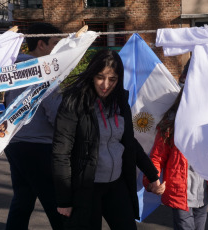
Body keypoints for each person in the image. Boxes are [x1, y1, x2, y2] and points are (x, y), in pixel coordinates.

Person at [52, 49, 160, 230]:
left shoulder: (120, 102)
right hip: (86, 186)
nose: (105, 85)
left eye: (112, 79)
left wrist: (152, 174)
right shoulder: (74, 102)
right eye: (100, 77)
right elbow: (61, 153)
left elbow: (129, 142)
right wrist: (64, 199)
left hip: (116, 184)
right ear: (92, 75)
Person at [3, 22, 63, 230]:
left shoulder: (14, 68)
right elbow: (55, 112)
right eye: (56, 43)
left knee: (23, 200)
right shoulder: (43, 70)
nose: (59, 48)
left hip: (15, 142)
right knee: (57, 204)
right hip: (38, 145)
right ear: (41, 44)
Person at [143, 87, 208, 230]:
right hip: (180, 193)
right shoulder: (170, 125)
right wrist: (152, 180)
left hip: (203, 192)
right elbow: (157, 157)